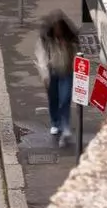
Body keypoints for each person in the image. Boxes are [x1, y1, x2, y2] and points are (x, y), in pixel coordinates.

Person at [34, 12, 79, 142]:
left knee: (65, 99)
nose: (58, 32)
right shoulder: (46, 40)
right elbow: (41, 57)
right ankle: (55, 123)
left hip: (66, 72)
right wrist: (45, 75)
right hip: (52, 72)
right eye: (56, 30)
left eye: (60, 30)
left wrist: (69, 47)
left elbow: (77, 54)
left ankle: (65, 125)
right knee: (53, 99)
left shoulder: (70, 40)